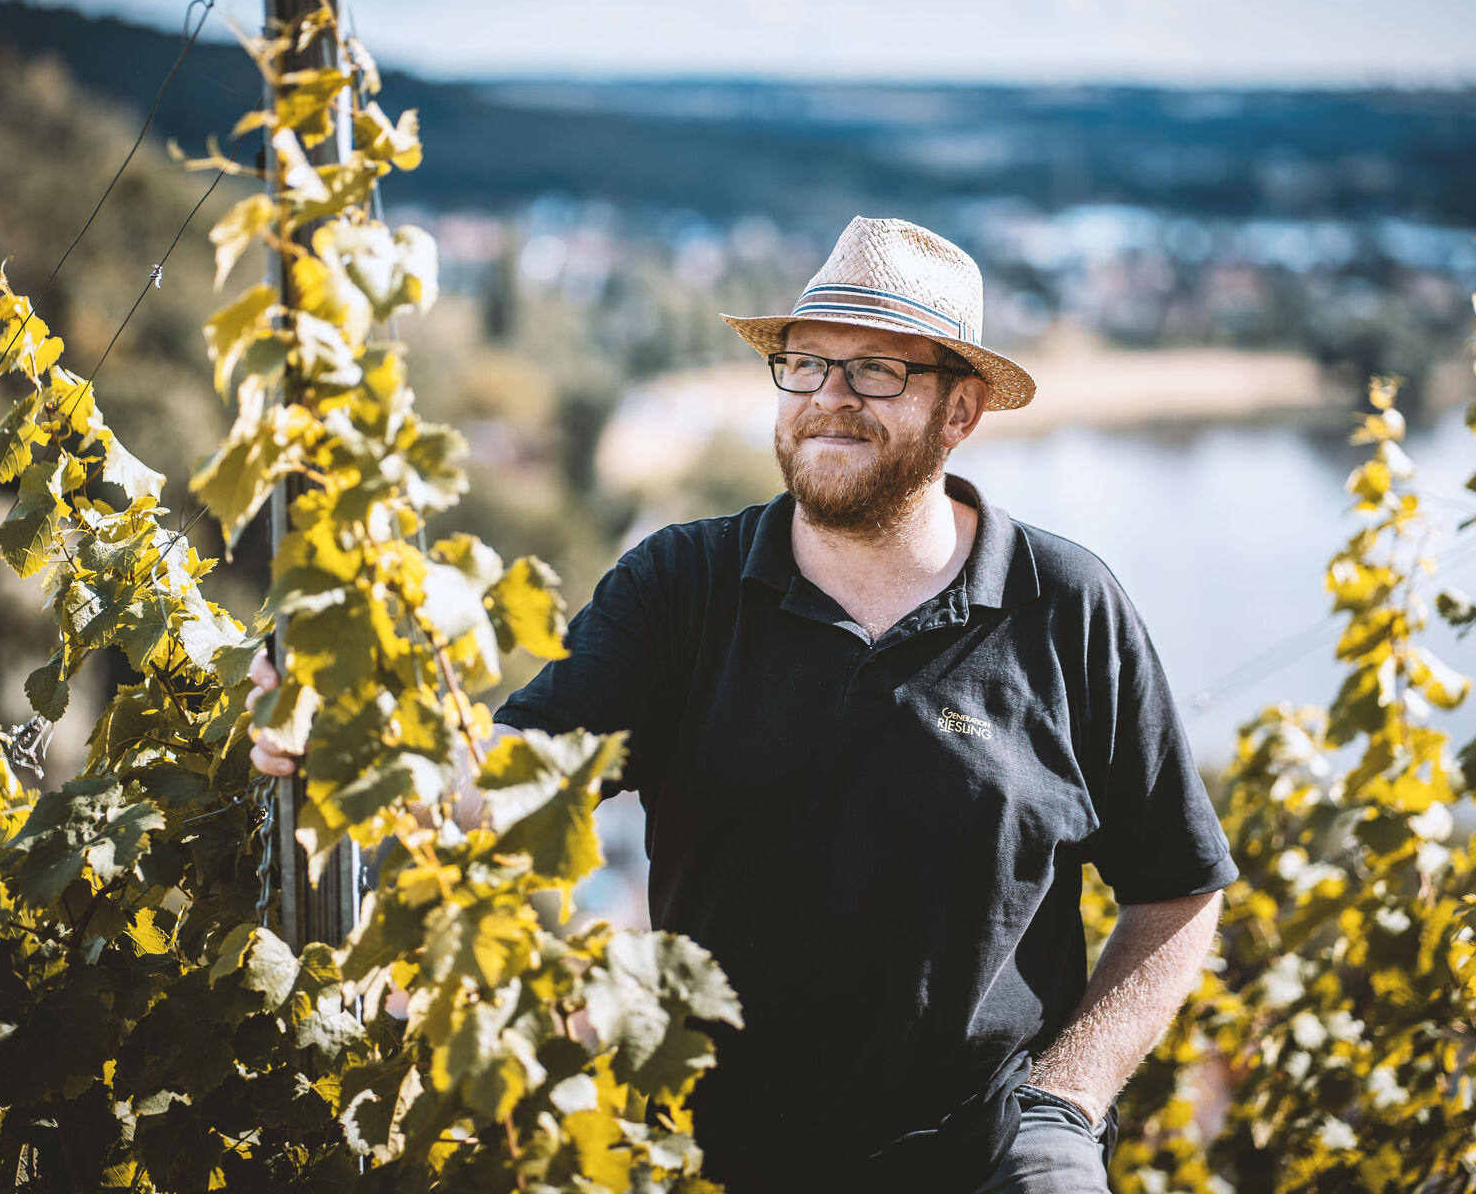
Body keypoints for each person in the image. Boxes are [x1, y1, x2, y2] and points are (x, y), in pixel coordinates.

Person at [252, 216, 1237, 1193]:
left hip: (988, 1167)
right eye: (806, 364)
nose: (829, 399)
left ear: (962, 407)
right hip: (711, 1168)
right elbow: (516, 777)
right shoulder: (681, 586)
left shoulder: (1067, 606)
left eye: (877, 370)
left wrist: (1065, 1102)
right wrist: (359, 733)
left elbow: (1179, 887)